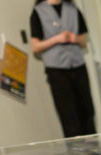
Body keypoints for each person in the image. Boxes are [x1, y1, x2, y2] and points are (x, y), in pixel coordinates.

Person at [30, 0, 96, 137]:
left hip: (78, 66)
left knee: (87, 112)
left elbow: (84, 41)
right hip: (57, 70)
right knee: (69, 116)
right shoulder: (38, 12)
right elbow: (35, 47)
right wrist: (57, 39)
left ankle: (95, 154)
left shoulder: (73, 9)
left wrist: (74, 38)